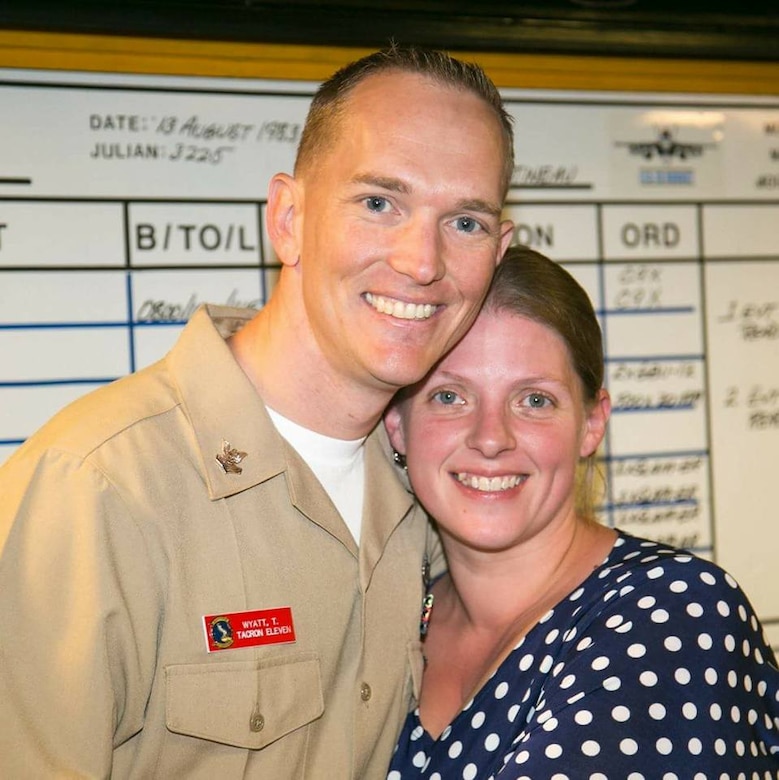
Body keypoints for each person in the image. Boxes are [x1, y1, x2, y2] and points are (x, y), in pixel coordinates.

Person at [0, 46, 515, 778]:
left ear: (500, 250)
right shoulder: (97, 490)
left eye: (464, 222)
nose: (421, 261)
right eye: (379, 204)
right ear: (287, 219)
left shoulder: (435, 487)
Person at [385, 246, 779, 778]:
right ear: (397, 424)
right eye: (450, 397)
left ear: (592, 424)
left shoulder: (672, 613)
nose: (491, 438)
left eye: (535, 400)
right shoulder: (393, 619)